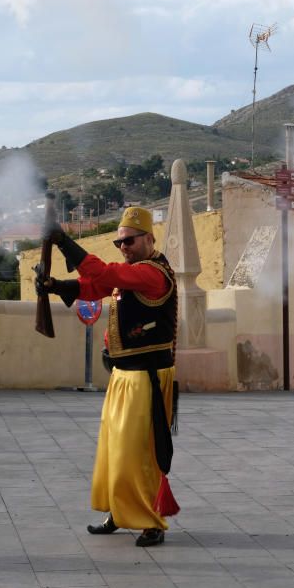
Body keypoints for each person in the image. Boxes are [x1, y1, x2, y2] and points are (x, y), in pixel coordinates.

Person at [36, 206, 178, 547]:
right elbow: (95, 286)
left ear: (148, 238)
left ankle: (150, 521)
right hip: (123, 376)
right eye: (119, 243)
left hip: (147, 377)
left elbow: (105, 274)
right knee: (114, 449)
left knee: (138, 454)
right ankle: (118, 512)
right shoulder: (132, 273)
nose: (124, 248)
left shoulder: (153, 274)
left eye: (128, 241)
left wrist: (64, 242)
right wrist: (55, 285)